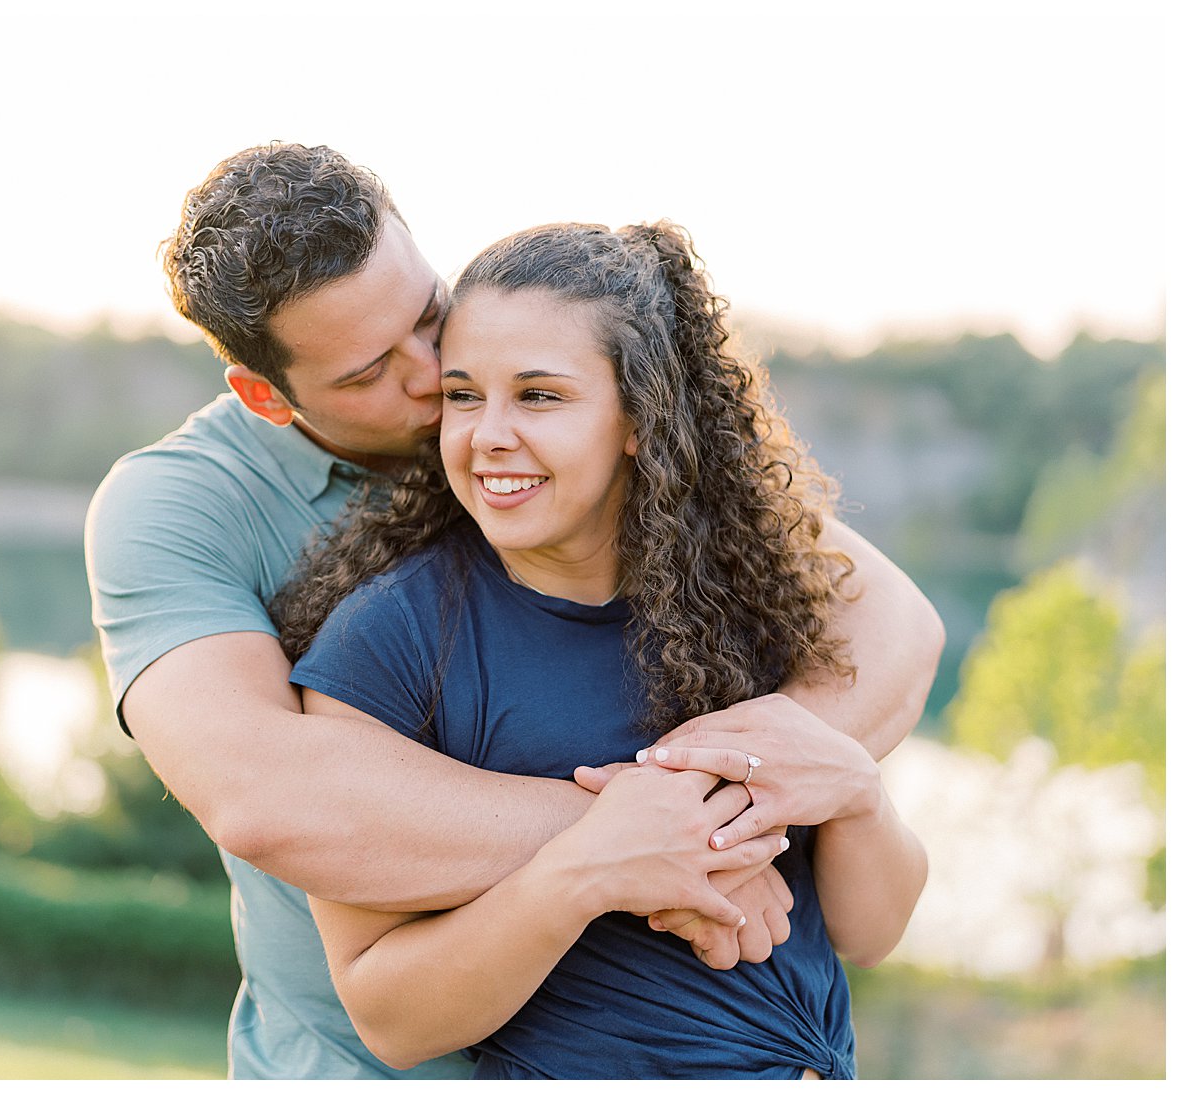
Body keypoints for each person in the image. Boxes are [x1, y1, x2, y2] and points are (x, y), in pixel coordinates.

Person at [84, 143, 944, 1079]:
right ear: (266, 396)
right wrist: (645, 834)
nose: (432, 367)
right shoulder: (183, 509)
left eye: (426, 313)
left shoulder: (583, 444)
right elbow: (272, 797)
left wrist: (756, 797)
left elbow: (891, 622)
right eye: (373, 369)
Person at [278, 220, 928, 1079]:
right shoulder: (387, 644)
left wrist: (854, 790)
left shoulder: (757, 599)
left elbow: (869, 935)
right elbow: (390, 1015)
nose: (489, 434)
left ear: (638, 417)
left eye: (539, 396)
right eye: (465, 395)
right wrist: (593, 869)